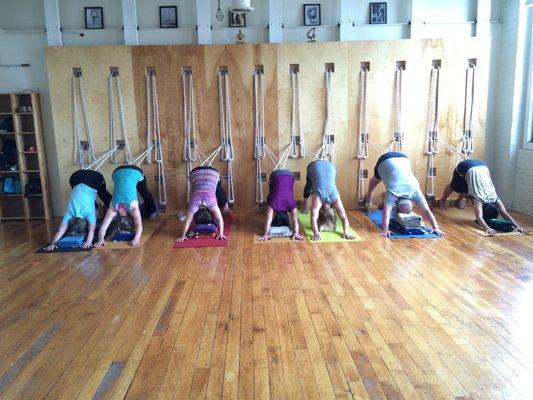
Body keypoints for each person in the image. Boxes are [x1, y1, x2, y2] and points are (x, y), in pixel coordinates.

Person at [365, 151, 444, 237]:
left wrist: (436, 228)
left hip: (404, 158)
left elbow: (427, 210)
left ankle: (371, 194)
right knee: (375, 181)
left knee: (383, 179)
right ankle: (369, 194)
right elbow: (386, 213)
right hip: (385, 160)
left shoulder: (415, 190)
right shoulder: (393, 193)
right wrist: (385, 230)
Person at [438, 159, 527, 236]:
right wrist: (487, 228)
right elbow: (479, 217)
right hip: (465, 167)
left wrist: (517, 227)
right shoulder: (479, 200)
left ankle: (458, 201)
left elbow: (505, 213)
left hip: (482, 165)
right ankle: (443, 200)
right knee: (455, 186)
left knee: (467, 186)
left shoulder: (495, 197)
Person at [44, 169, 112, 251]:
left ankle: (114, 211)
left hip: (93, 177)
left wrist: (88, 242)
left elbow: (91, 230)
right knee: (97, 195)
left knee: (102, 192)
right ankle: (109, 210)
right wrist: (53, 243)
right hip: (75, 177)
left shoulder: (89, 213)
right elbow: (61, 230)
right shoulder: (69, 213)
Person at [94, 165, 157, 247]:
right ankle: (152, 213)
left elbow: (139, 225)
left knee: (143, 191)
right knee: (143, 190)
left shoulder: (132, 209)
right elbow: (104, 226)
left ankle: (153, 212)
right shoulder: (112, 209)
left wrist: (136, 239)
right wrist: (100, 239)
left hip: (130, 171)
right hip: (117, 172)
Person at [301, 159, 356, 241]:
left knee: (310, 186)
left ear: (333, 210)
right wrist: (316, 232)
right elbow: (313, 218)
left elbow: (344, 217)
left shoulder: (336, 200)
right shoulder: (318, 200)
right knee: (309, 186)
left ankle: (304, 205)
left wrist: (346, 231)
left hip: (331, 166)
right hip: (313, 166)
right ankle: (304, 206)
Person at [176, 166, 229, 243]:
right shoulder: (193, 205)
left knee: (216, 186)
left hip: (213, 172)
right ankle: (225, 205)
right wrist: (183, 235)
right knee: (215, 189)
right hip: (194, 173)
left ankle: (225, 204)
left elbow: (220, 220)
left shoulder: (212, 204)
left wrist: (221, 234)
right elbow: (187, 221)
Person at [258, 169, 304, 241]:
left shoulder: (291, 205)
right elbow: (268, 220)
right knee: (271, 196)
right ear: (275, 214)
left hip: (291, 175)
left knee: (275, 194)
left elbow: (295, 221)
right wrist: (265, 234)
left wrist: (296, 233)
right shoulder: (272, 205)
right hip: (276, 175)